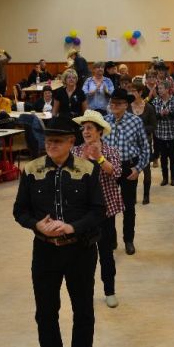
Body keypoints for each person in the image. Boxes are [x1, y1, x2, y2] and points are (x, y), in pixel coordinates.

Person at [12, 113, 104, 347]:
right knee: (45, 311)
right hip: (45, 251)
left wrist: (72, 227)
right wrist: (36, 224)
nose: (50, 145)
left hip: (80, 250)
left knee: (83, 308)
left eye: (57, 141)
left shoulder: (88, 170)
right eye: (48, 141)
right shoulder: (32, 169)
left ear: (71, 142)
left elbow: (98, 211)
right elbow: (20, 211)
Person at [71, 110, 123, 308]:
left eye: (90, 128)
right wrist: (84, 159)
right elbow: (71, 177)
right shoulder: (76, 152)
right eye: (83, 128)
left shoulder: (110, 151)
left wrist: (99, 158)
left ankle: (110, 291)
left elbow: (116, 173)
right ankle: (85, 293)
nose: (86, 132)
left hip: (105, 211)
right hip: (81, 212)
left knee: (106, 254)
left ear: (100, 131)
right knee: (83, 255)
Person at [104, 88, 151, 257]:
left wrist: (138, 168)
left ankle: (128, 240)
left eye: (118, 103)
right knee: (108, 206)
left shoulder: (135, 121)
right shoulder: (104, 121)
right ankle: (111, 239)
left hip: (128, 168)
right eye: (112, 103)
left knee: (129, 207)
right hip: (108, 168)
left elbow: (145, 148)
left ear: (126, 105)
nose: (114, 106)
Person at [151, 81, 174, 187]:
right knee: (163, 157)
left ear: (167, 89)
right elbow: (153, 117)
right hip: (160, 133)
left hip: (173, 133)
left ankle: (173, 178)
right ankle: (165, 178)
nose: (159, 90)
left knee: (172, 157)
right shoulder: (155, 101)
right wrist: (160, 114)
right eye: (158, 89)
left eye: (161, 88)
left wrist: (170, 113)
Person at [130, 86, 157, 205]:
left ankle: (146, 195)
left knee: (146, 169)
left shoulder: (149, 107)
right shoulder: (128, 107)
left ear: (140, 92)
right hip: (131, 143)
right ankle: (133, 196)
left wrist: (139, 130)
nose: (131, 93)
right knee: (132, 169)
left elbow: (153, 126)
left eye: (133, 91)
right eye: (130, 91)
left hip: (145, 141)